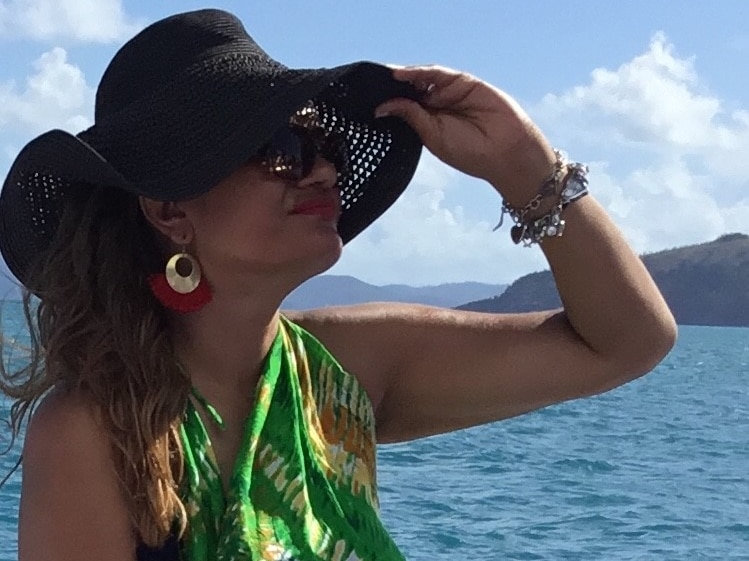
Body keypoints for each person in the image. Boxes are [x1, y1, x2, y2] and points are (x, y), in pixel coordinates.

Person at [0, 8, 676, 561]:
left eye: (327, 147)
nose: (321, 171)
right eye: (283, 151)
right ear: (170, 210)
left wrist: (526, 168)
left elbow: (627, 341)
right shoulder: (92, 432)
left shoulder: (343, 369)